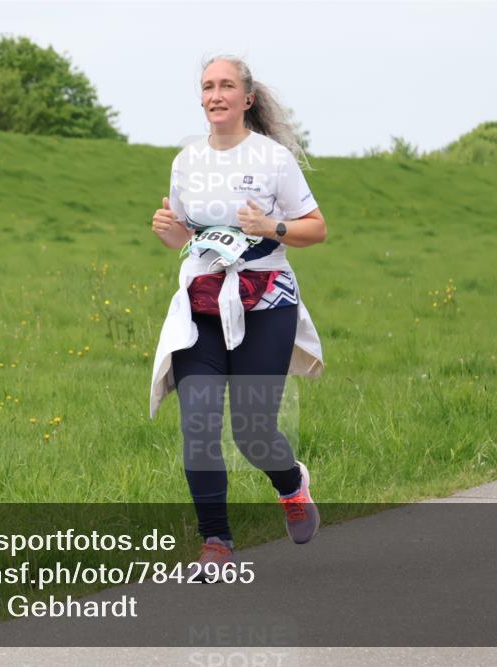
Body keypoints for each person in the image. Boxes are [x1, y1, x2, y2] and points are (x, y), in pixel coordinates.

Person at [148, 55, 327, 580]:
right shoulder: (186, 163)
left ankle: (291, 485)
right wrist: (170, 233)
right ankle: (216, 542)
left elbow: (315, 228)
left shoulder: (272, 160)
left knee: (252, 432)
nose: (216, 94)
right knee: (198, 424)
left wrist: (272, 225)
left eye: (227, 85)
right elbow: (190, 238)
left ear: (247, 98)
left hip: (266, 302)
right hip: (202, 304)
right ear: (201, 98)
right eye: (208, 86)